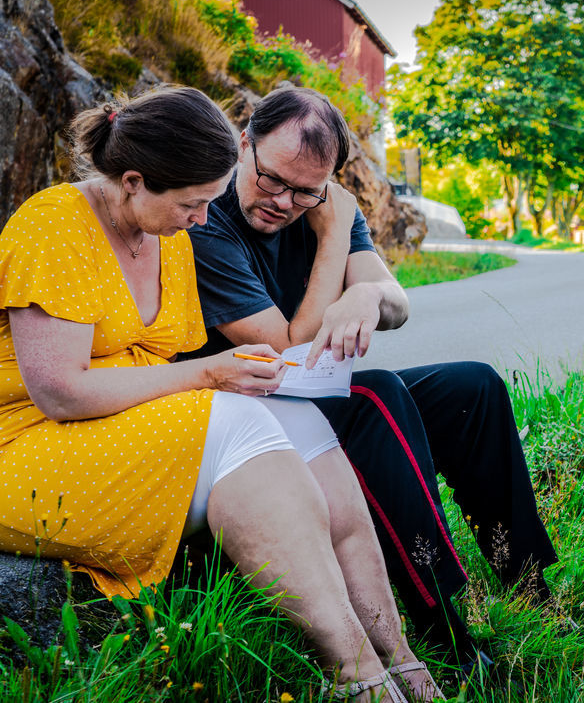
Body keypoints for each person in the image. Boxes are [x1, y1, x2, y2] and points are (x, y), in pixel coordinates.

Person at [0, 86, 440, 703]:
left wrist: (240, 378)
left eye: (211, 201)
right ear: (133, 181)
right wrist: (211, 376)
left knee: (297, 417)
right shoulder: (56, 224)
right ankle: (359, 676)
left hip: (116, 422)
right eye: (193, 203)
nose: (204, 219)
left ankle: (399, 657)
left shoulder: (169, 235)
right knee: (238, 421)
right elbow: (61, 394)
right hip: (25, 445)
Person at [186, 85, 558, 666]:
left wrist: (367, 297)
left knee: (475, 386)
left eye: (307, 191)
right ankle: (441, 625)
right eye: (272, 180)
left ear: (328, 180)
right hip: (245, 414)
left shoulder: (325, 201)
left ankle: (529, 583)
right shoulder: (205, 221)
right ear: (244, 145)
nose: (284, 202)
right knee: (377, 393)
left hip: (313, 398)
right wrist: (333, 239)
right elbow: (288, 349)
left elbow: (396, 301)